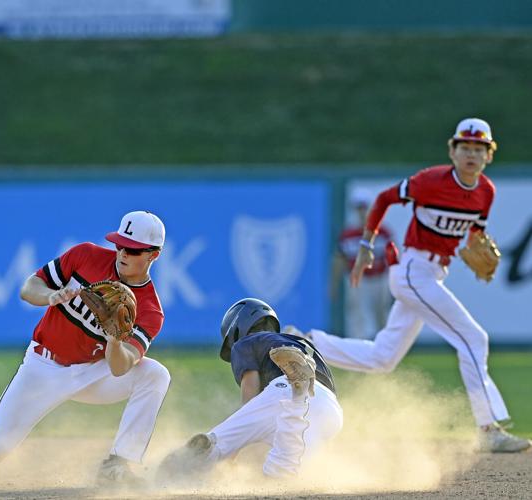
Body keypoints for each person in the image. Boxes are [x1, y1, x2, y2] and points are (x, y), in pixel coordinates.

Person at [297, 118, 530, 452]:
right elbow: (384, 199)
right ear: (452, 150)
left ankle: (308, 343)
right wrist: (366, 245)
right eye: (464, 146)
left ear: (489, 156)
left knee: (383, 357)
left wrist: (478, 244)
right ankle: (489, 429)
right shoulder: (430, 181)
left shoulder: (485, 193)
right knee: (473, 339)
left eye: (479, 149)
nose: (471, 154)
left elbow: (474, 233)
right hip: (412, 271)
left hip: (433, 274)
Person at [0, 210, 171, 485]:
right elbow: (29, 288)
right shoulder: (86, 256)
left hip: (93, 372)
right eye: (120, 244)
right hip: (43, 365)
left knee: (155, 374)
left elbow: (121, 368)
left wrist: (114, 338)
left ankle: (118, 463)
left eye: (133, 250)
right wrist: (51, 296)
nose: (122, 253)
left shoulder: (150, 310)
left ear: (153, 255)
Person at [158, 298, 342, 481]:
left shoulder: (247, 342)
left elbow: (250, 405)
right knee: (284, 473)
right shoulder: (304, 345)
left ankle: (170, 472)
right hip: (329, 407)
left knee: (217, 445)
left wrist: (231, 452)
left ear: (237, 330)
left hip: (287, 388)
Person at [330, 187, 393, 338]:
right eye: (358, 208)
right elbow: (339, 260)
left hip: (380, 278)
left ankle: (385, 348)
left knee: (382, 316)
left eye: (364, 207)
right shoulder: (348, 234)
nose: (361, 212)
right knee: (357, 316)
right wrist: (333, 284)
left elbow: (393, 258)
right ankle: (356, 348)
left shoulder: (383, 232)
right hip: (358, 280)